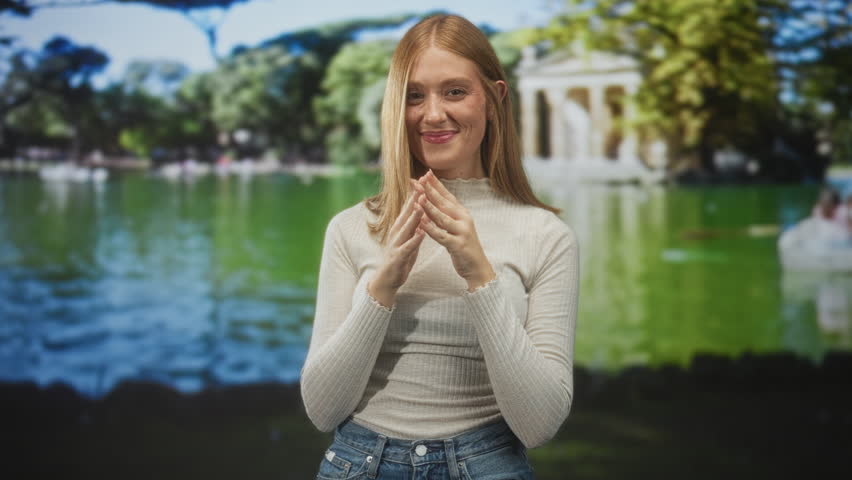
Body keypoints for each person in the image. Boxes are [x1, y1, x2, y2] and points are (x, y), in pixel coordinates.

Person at [300, 14, 579, 479]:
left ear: (494, 100)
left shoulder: (546, 236)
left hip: (488, 466)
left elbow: (539, 424)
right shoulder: (350, 229)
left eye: (454, 91)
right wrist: (384, 284)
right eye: (414, 95)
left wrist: (479, 274)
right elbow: (322, 411)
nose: (432, 114)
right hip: (358, 465)